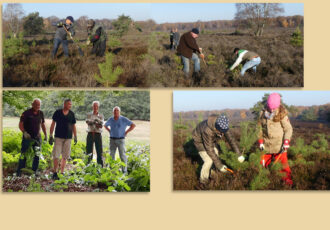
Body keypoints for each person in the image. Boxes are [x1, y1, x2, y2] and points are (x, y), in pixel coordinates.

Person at [192, 114, 244, 187]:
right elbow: (209, 149)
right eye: (221, 131)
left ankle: (212, 173)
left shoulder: (223, 125)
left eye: (224, 131)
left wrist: (239, 154)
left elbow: (231, 140)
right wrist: (219, 165)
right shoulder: (207, 131)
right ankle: (203, 181)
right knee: (209, 160)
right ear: (216, 127)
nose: (222, 133)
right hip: (199, 142)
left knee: (216, 153)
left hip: (210, 141)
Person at [257, 93, 293, 185]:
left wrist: (286, 141)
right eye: (270, 107)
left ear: (278, 106)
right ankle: (263, 181)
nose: (272, 110)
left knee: (283, 166)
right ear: (267, 105)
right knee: (262, 165)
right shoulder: (262, 113)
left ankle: (287, 181)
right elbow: (259, 128)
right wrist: (260, 142)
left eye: (274, 108)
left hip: (279, 146)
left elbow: (288, 129)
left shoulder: (282, 114)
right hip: (266, 146)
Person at [16, 99, 47, 176]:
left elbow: (43, 124)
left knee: (37, 154)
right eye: (36, 105)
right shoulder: (26, 113)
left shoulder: (41, 113)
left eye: (39, 105)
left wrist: (46, 135)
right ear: (32, 104)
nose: (37, 106)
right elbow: (20, 124)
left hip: (37, 138)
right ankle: (19, 172)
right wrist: (24, 132)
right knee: (24, 154)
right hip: (27, 138)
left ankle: (34, 171)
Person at [49, 99, 77, 180]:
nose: (70, 106)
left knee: (65, 156)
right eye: (69, 104)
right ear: (64, 104)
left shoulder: (72, 114)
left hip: (68, 138)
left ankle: (61, 172)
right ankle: (55, 172)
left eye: (71, 104)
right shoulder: (57, 112)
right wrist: (50, 135)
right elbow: (53, 124)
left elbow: (73, 126)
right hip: (58, 137)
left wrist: (75, 136)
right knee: (56, 155)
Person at [104, 106, 136, 174]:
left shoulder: (123, 119)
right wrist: (109, 130)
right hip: (112, 140)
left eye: (117, 111)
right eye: (115, 111)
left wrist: (126, 132)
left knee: (122, 155)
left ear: (119, 112)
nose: (116, 112)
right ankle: (112, 171)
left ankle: (124, 172)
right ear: (113, 112)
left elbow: (133, 125)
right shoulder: (111, 119)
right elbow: (105, 125)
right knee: (111, 155)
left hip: (121, 140)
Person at [86, 101, 104, 166]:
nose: (95, 107)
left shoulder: (101, 115)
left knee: (99, 151)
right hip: (90, 134)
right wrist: (96, 123)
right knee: (89, 151)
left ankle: (100, 166)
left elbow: (101, 126)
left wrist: (93, 122)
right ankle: (88, 166)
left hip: (98, 134)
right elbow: (88, 123)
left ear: (98, 107)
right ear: (92, 107)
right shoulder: (89, 114)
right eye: (94, 106)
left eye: (96, 106)